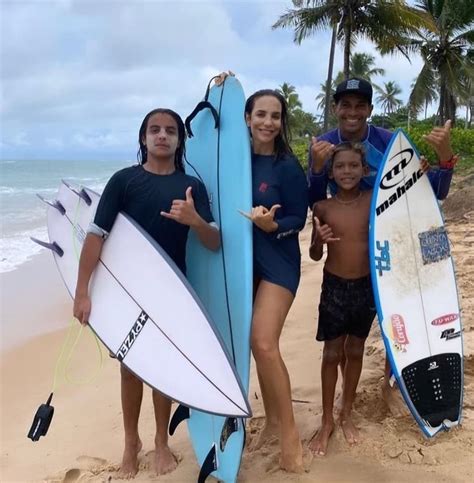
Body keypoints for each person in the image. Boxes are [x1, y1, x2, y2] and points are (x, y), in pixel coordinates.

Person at [73, 108, 220, 478]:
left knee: (162, 367)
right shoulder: (124, 181)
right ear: (143, 138)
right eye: (154, 130)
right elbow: (96, 236)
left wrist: (195, 220)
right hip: (128, 291)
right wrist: (82, 291)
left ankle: (161, 442)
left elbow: (214, 243)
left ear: (178, 140)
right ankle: (129, 442)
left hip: (172, 290)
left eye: (170, 131)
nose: (162, 136)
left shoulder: (192, 188)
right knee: (130, 368)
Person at [307, 77, 458, 416]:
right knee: (348, 336)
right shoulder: (324, 145)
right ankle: (347, 396)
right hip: (356, 247)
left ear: (370, 110)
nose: (352, 112)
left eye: (360, 105)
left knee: (397, 314)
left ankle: (394, 383)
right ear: (335, 108)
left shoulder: (391, 143)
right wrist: (317, 169)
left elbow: (433, 191)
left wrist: (444, 156)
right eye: (345, 104)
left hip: (398, 239)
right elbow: (316, 203)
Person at [240, 89, 309, 472]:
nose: (268, 122)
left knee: (263, 342)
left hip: (279, 261)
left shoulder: (286, 166)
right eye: (261, 114)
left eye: (276, 116)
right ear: (247, 118)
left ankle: (291, 437)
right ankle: (272, 420)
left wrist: (272, 225)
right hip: (242, 263)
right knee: (257, 346)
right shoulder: (235, 161)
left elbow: (299, 216)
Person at [309, 142, 374, 456]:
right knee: (332, 354)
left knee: (356, 349)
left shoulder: (374, 201)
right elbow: (314, 254)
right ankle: (326, 420)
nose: (347, 172)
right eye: (340, 167)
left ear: (364, 169)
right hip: (334, 287)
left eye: (353, 166)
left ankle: (346, 412)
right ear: (331, 173)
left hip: (366, 287)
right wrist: (319, 241)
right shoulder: (322, 208)